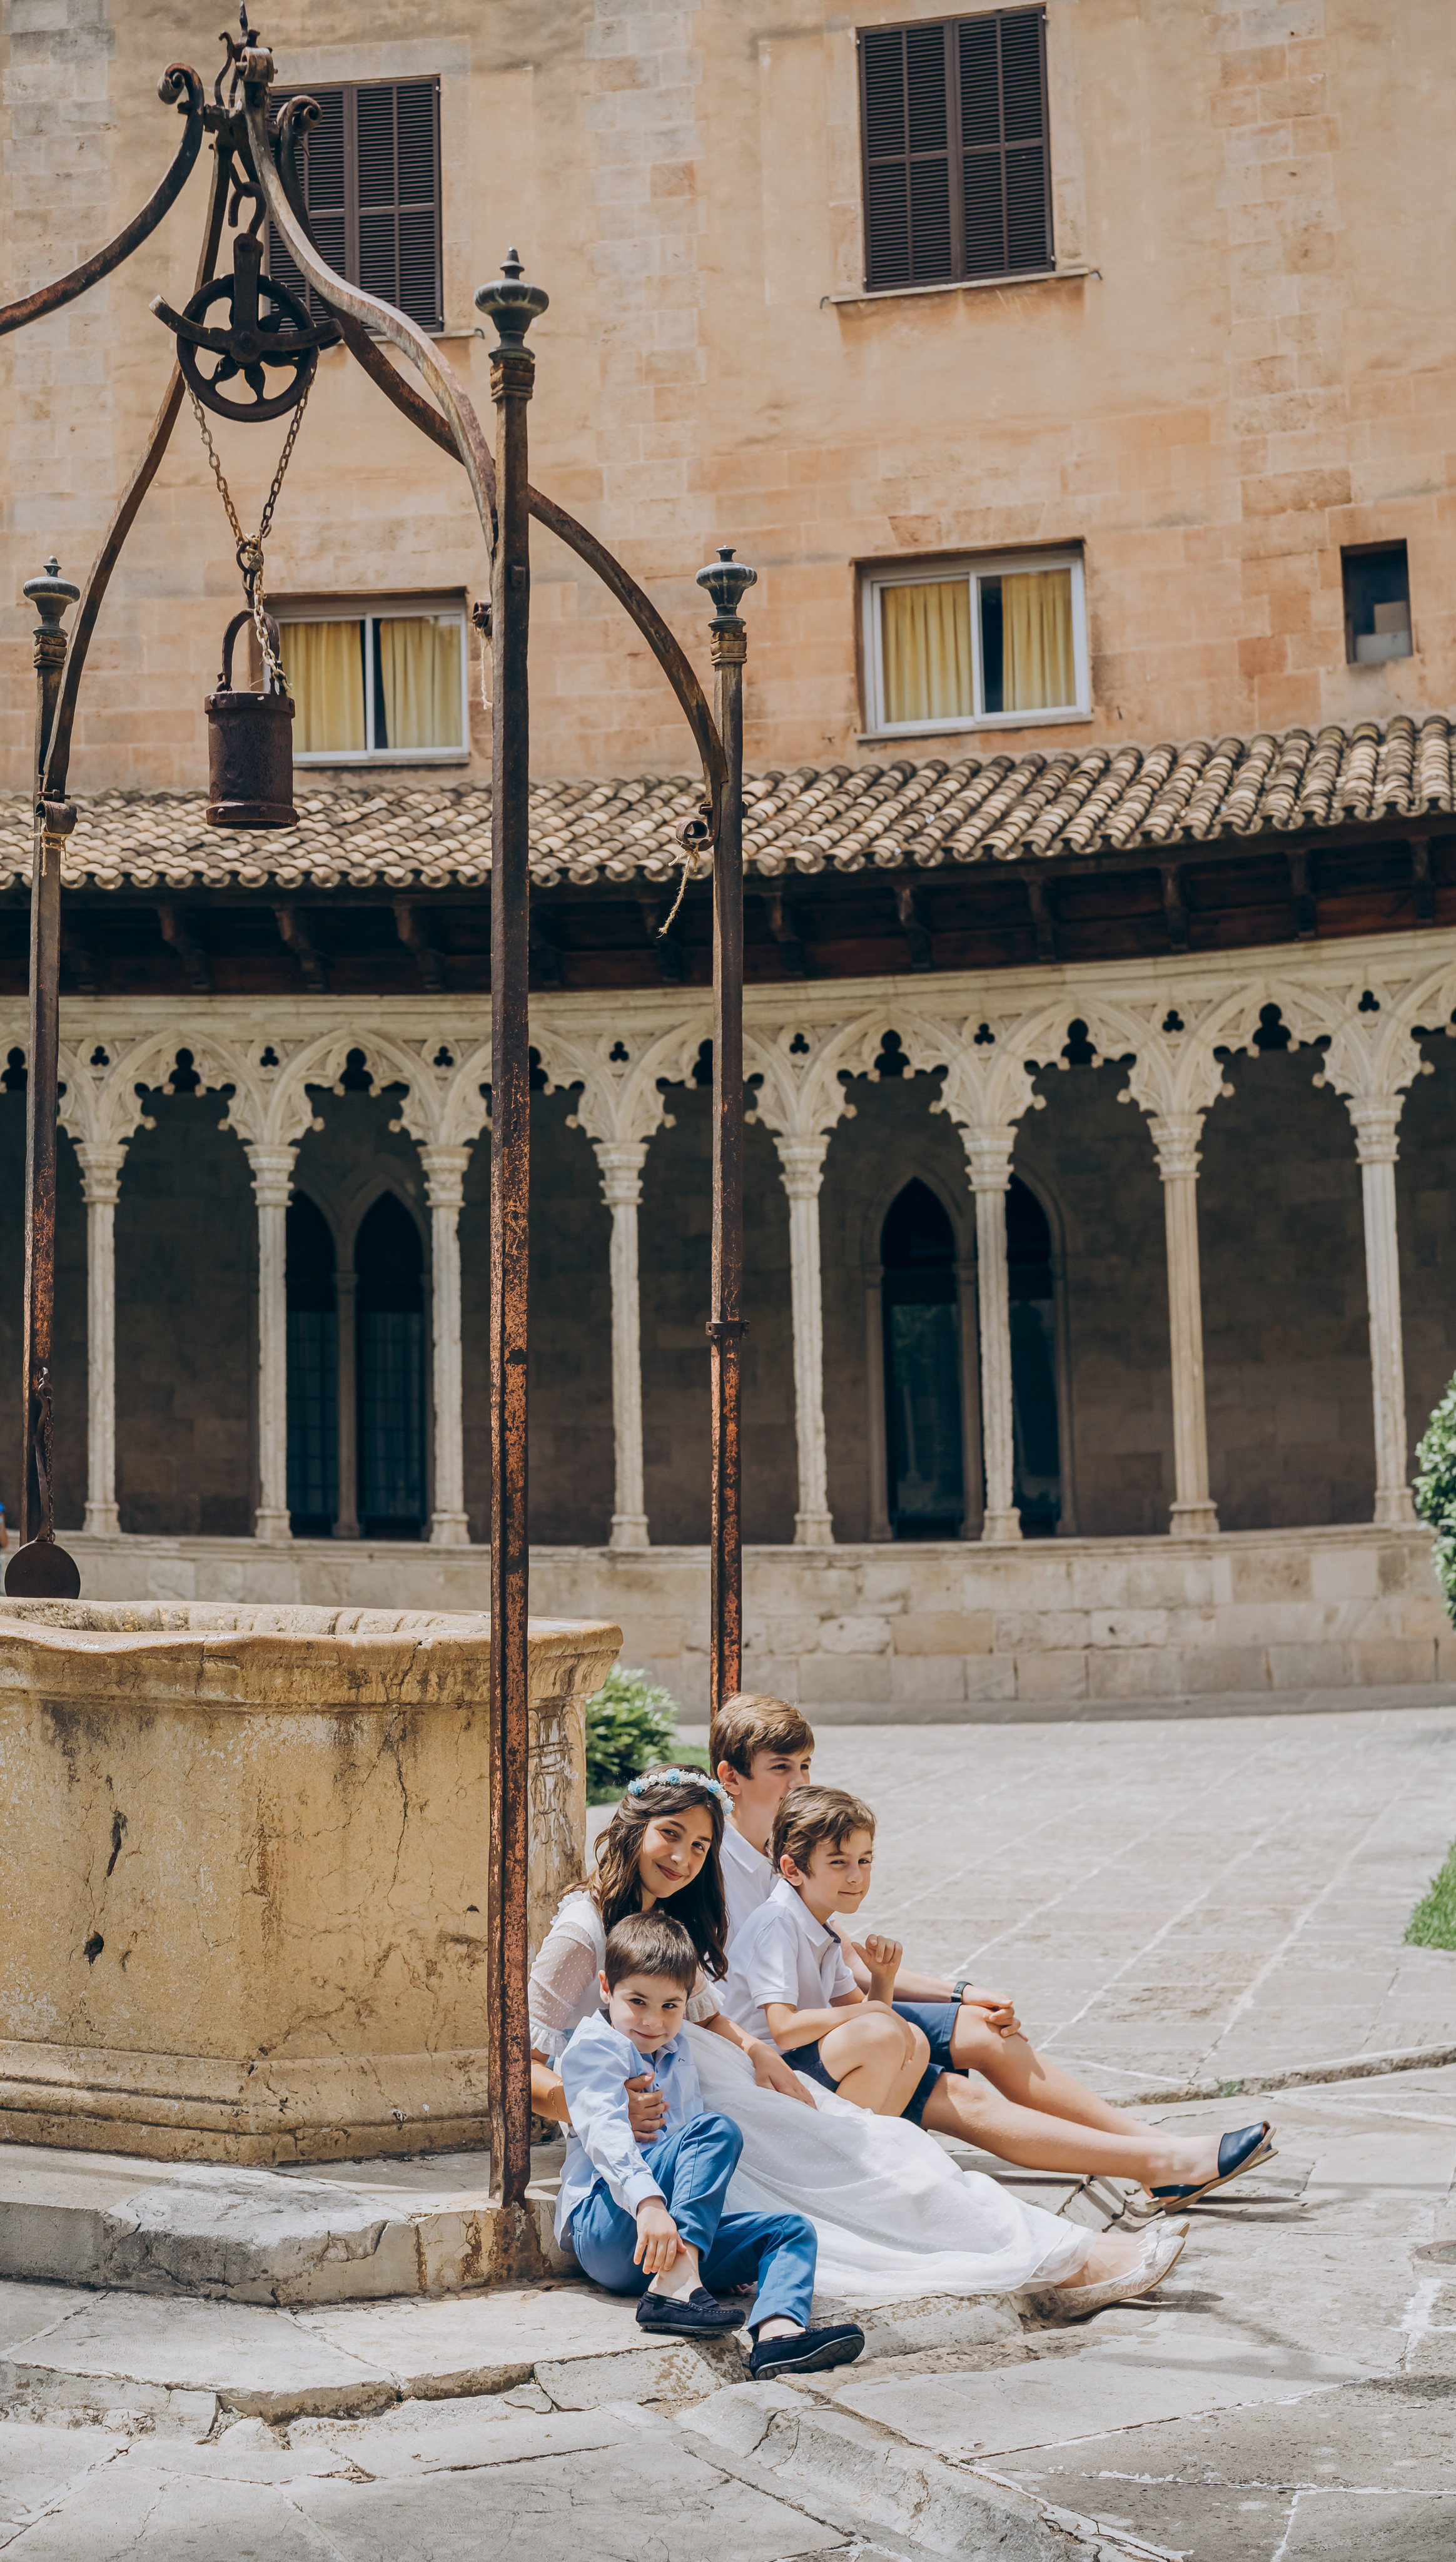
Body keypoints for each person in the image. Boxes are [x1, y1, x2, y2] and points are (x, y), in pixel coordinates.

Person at [529, 1764, 1190, 2315]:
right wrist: (601, 2106)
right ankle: (1055, 2258)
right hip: (661, 2114)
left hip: (712, 2081)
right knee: (840, 2163)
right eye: (671, 1835)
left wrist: (758, 2053)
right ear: (633, 1827)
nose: (683, 1858)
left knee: (875, 2144)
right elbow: (518, 2067)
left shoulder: (669, 1914)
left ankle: (1059, 2249)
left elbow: (704, 2014)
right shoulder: (582, 1931)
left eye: (701, 1846)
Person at [712, 1694, 1274, 2211]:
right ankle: (1159, 2163)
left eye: (805, 1766)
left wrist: (962, 1993)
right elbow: (731, 2002)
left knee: (985, 2027)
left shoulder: (810, 1837)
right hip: (796, 2044)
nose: (798, 1781)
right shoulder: (716, 1866)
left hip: (836, 2023)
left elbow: (847, 1963)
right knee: (951, 2089)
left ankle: (1157, 2148)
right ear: (731, 1778)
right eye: (781, 1768)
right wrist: (777, 2046)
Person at [558, 1908, 866, 2377]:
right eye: (637, 2001)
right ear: (606, 1988)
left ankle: (778, 2335)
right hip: (610, 2228)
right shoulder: (596, 2046)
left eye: (671, 2006)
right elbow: (604, 2132)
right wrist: (648, 2205)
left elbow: (696, 2170)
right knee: (714, 2130)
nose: (653, 2021)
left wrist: (710, 2242)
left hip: (668, 2244)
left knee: (791, 2230)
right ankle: (676, 2287)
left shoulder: (678, 2051)